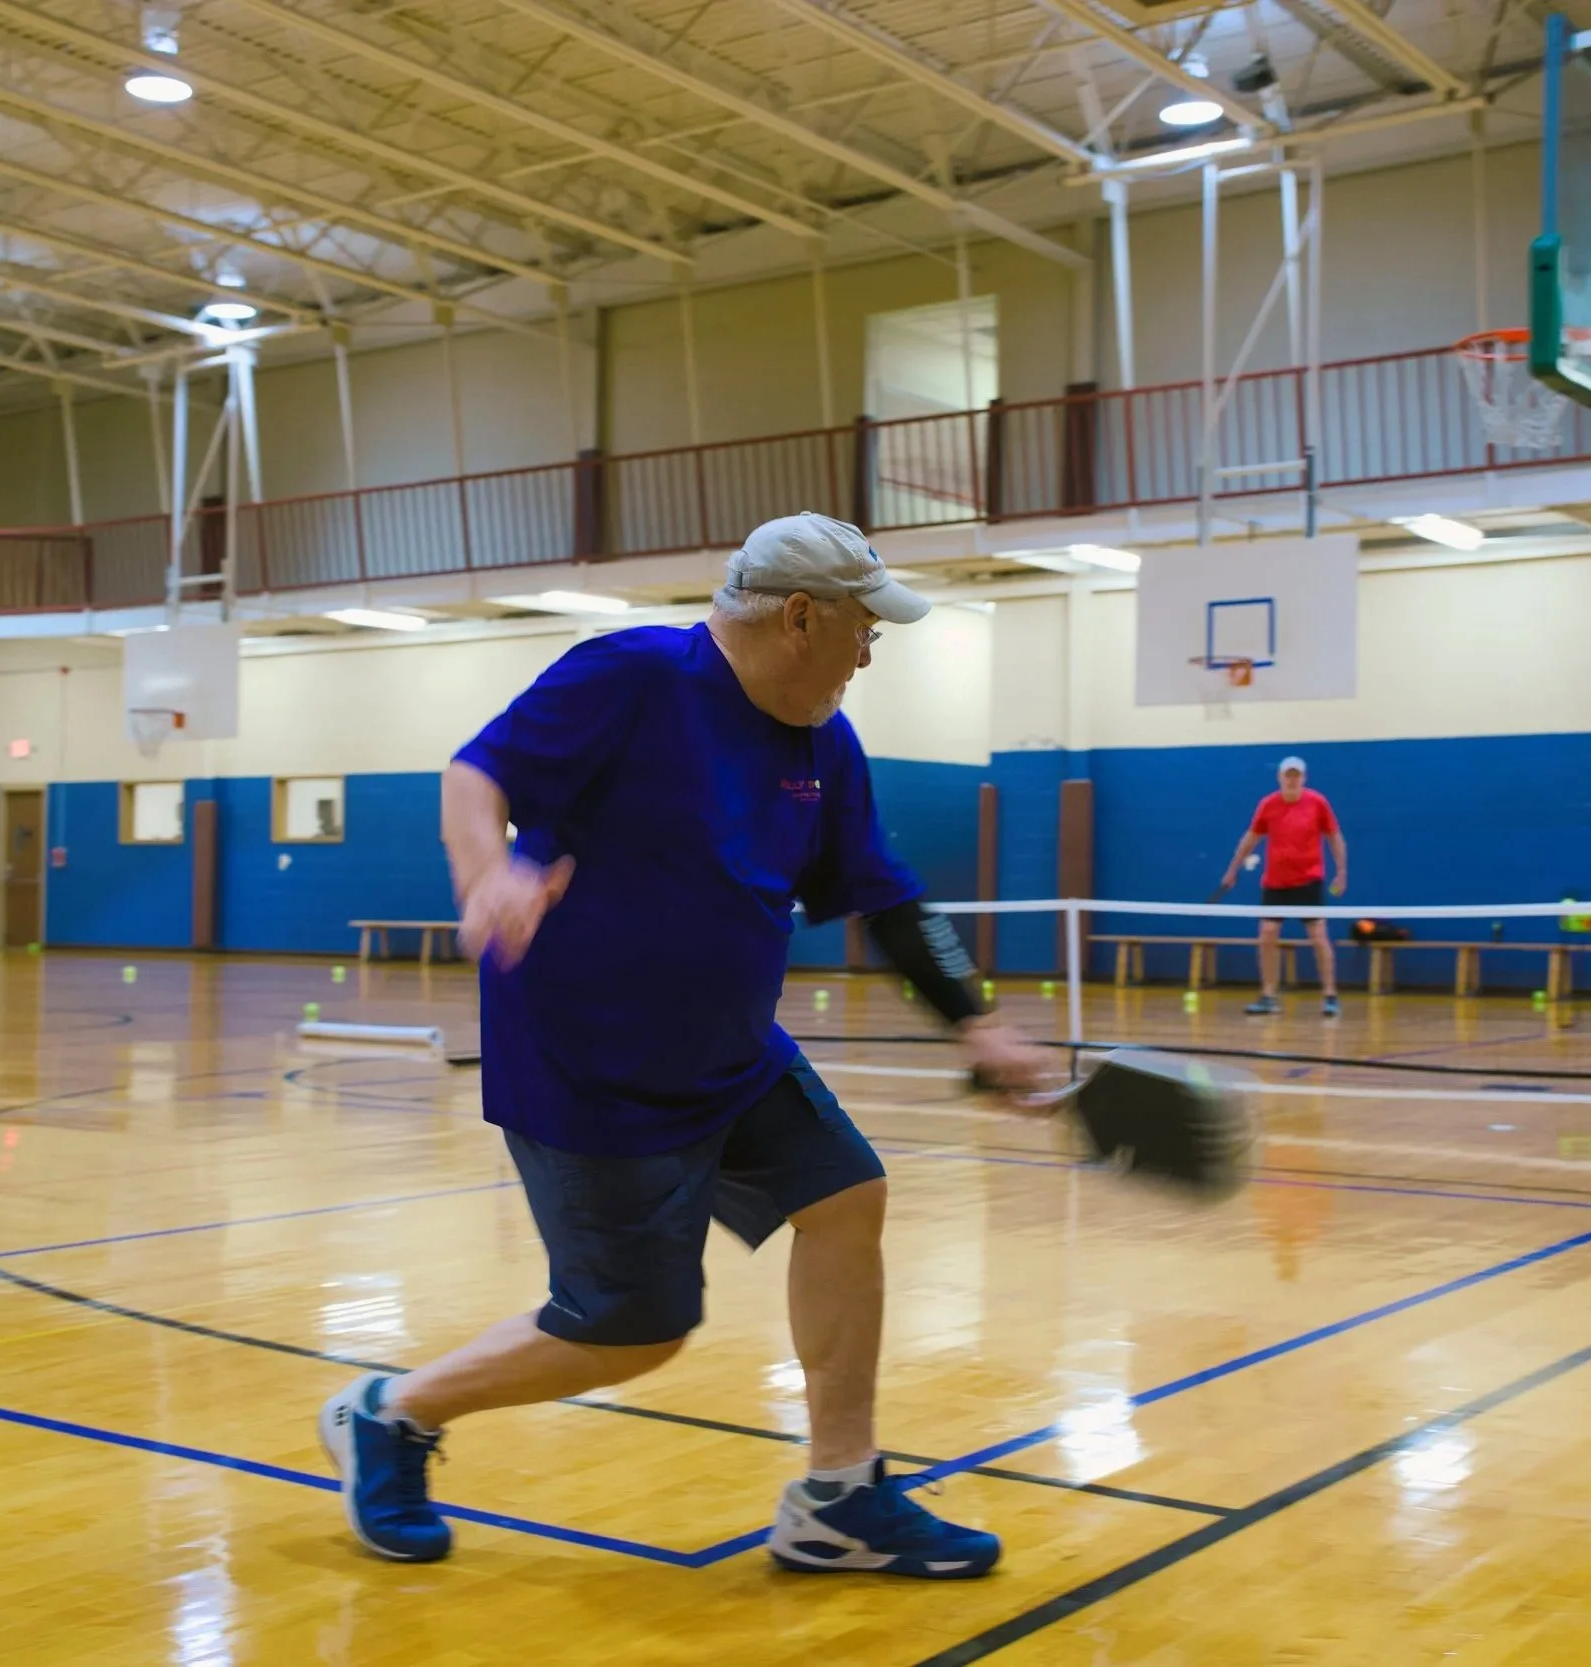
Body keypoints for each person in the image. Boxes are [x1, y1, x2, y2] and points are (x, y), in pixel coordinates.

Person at [318, 512, 1060, 1576]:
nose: (870, 649)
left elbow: (884, 895)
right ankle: (388, 1411)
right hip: (590, 1064)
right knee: (632, 1328)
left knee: (847, 1197)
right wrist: (486, 875)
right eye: (862, 628)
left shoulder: (822, 741)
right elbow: (476, 774)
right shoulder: (630, 675)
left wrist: (976, 1021)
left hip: (730, 1051)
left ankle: (839, 1493)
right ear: (798, 616)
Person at [1217, 755, 1348, 1017]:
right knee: (1267, 934)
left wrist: (1341, 873)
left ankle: (1330, 995)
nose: (1291, 779)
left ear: (1303, 778)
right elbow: (1250, 839)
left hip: (1309, 881)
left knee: (1319, 937)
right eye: (1287, 775)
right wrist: (1232, 870)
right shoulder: (1268, 805)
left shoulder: (1317, 803)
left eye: (1296, 775)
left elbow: (1334, 837)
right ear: (1280, 778)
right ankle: (1268, 995)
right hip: (1275, 882)